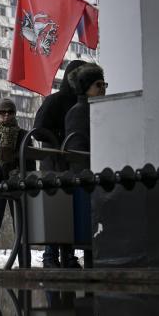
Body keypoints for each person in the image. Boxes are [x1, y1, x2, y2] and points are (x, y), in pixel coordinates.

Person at [33, 59, 87, 268]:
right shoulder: (55, 101)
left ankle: (69, 255)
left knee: (70, 213)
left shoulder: (81, 103)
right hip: (53, 164)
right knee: (55, 212)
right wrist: (58, 141)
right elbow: (39, 129)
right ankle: (50, 256)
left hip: (72, 165)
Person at [0, 99, 34, 261]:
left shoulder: (23, 135)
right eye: (3, 112)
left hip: (17, 185)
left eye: (10, 112)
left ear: (15, 114)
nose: (6, 115)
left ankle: (25, 265)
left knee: (22, 228)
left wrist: (21, 174)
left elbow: (30, 162)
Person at [63, 63, 105, 267]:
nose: (103, 89)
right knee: (90, 237)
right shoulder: (79, 111)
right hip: (88, 181)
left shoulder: (97, 109)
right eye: (98, 85)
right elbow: (76, 149)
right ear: (86, 87)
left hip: (97, 178)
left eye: (104, 84)